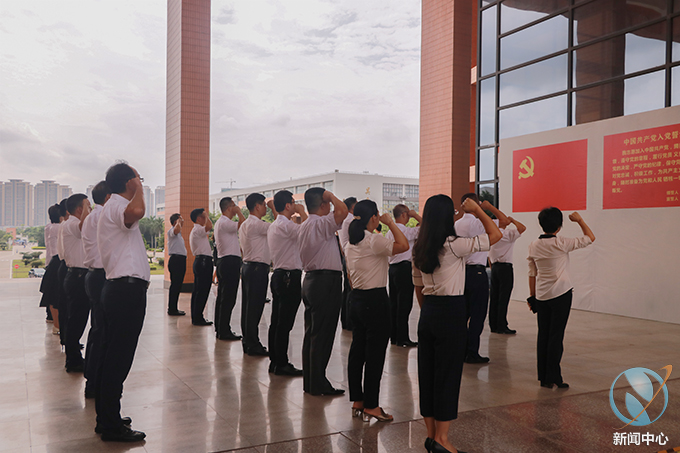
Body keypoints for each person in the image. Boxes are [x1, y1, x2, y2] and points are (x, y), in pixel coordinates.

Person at [412, 194, 501, 453]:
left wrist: (429, 312)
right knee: (448, 376)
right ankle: (442, 439)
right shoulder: (454, 244)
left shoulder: (419, 247)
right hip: (451, 312)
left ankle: (431, 437)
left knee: (427, 375)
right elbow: (495, 235)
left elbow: (417, 286)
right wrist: (478, 211)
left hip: (428, 312)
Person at [95, 162, 147, 442]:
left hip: (120, 289)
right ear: (129, 182)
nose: (140, 182)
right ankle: (110, 424)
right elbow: (137, 212)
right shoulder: (117, 205)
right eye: (138, 178)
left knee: (111, 356)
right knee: (118, 358)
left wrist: (135, 186)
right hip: (125, 291)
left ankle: (107, 416)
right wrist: (139, 188)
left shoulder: (112, 207)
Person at [345, 200, 408, 422]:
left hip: (356, 298)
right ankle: (372, 405)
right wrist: (390, 223)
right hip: (375, 300)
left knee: (357, 351)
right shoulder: (373, 240)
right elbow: (404, 245)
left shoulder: (349, 243)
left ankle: (358, 400)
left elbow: (350, 277)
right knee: (375, 354)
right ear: (373, 217)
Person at [527, 208, 595, 389]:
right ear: (559, 226)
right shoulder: (562, 242)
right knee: (556, 336)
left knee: (543, 335)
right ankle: (555, 376)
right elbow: (590, 237)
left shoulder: (533, 245)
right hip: (561, 295)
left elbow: (532, 273)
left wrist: (532, 296)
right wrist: (580, 220)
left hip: (541, 296)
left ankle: (544, 378)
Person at [298, 188, 348, 395]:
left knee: (312, 333)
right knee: (323, 334)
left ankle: (311, 381)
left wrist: (327, 197)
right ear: (323, 205)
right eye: (327, 203)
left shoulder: (305, 224)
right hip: (325, 282)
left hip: (312, 281)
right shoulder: (320, 223)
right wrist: (331, 195)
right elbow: (343, 211)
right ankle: (318, 383)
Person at [267, 190, 307, 375]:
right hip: (289, 277)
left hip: (279, 275)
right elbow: (308, 231)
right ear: (288, 205)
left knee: (277, 321)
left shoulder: (276, 225)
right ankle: (282, 364)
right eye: (293, 202)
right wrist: (303, 212)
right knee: (284, 323)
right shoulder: (286, 225)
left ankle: (275, 361)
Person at [455, 193, 492, 364]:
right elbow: (501, 225)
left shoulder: (456, 224)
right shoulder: (479, 223)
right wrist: (484, 209)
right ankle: (472, 351)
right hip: (477, 273)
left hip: (461, 272)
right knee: (477, 315)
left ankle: (461, 350)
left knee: (463, 315)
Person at [82, 181, 111, 398]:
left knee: (97, 330)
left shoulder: (93, 216)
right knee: (102, 332)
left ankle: (92, 379)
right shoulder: (103, 215)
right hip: (101, 277)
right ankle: (96, 382)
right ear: (109, 197)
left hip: (93, 275)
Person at [239, 193, 274, 356]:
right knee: (254, 308)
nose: (266, 208)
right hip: (257, 269)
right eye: (264, 205)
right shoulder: (257, 224)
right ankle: (253, 344)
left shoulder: (245, 224)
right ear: (257, 206)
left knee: (248, 308)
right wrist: (275, 209)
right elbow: (278, 228)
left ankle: (248, 342)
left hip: (248, 267)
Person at [62, 193, 92, 373]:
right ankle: (73, 361)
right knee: (76, 320)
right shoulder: (71, 223)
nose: (91, 208)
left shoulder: (73, 223)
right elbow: (83, 226)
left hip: (81, 276)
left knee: (78, 319)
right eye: (88, 205)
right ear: (80, 209)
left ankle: (74, 357)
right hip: (77, 276)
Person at [386, 204, 421, 347]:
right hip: (404, 269)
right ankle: (403, 337)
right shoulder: (406, 231)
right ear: (404, 215)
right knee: (404, 305)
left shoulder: (389, 232)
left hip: (393, 268)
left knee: (394, 304)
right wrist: (415, 215)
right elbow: (427, 227)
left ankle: (394, 336)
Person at [488, 212, 525, 335]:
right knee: (503, 298)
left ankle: (493, 324)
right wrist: (512, 220)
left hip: (495, 267)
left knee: (494, 297)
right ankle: (502, 325)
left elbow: (489, 255)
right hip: (505, 268)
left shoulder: (492, 235)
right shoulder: (507, 234)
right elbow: (522, 228)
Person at [214, 198, 245, 340]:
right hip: (229, 262)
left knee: (223, 297)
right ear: (228, 208)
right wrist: (239, 212)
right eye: (234, 205)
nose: (236, 207)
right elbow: (244, 224)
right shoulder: (225, 222)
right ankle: (224, 330)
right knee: (228, 298)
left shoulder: (222, 222)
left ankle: (220, 328)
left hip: (225, 261)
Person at [39, 204, 63, 335]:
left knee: (51, 292)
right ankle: (57, 323)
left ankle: (52, 319)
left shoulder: (49, 227)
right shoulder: (59, 228)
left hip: (51, 261)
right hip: (57, 261)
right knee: (55, 295)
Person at [189, 208, 214, 326]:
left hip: (201, 261)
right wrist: (206, 215)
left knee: (198, 291)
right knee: (202, 291)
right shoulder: (198, 229)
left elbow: (208, 228)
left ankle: (196, 316)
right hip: (203, 262)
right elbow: (209, 225)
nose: (206, 219)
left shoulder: (198, 230)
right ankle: (198, 317)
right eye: (203, 217)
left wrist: (205, 215)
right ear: (199, 219)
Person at [338, 197, 357, 331]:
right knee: (351, 289)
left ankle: (345, 321)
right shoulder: (351, 221)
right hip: (351, 256)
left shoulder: (343, 220)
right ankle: (350, 321)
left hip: (345, 255)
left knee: (347, 289)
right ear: (352, 207)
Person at [166, 213, 187, 316]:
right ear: (176, 222)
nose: (183, 221)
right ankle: (172, 309)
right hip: (176, 260)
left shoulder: (179, 234)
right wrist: (178, 222)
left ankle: (174, 308)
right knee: (175, 285)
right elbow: (176, 230)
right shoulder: (172, 231)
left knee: (178, 285)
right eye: (181, 219)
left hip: (180, 260)